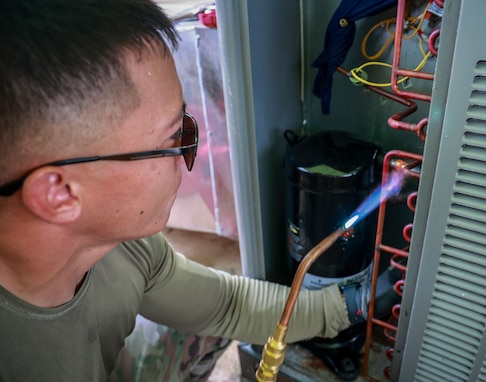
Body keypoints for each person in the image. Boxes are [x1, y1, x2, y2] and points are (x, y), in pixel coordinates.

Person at [0, 1, 371, 381]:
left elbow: (225, 305)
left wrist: (349, 306)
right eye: (173, 138)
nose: (185, 155)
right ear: (59, 195)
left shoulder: (123, 245)